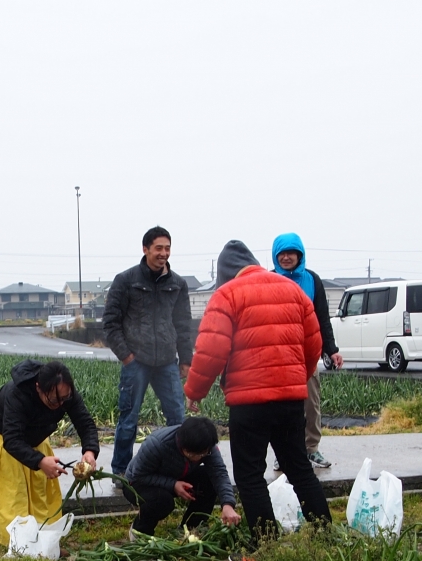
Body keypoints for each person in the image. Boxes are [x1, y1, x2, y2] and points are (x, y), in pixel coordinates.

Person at [184, 240, 332, 538]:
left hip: (248, 402)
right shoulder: (292, 290)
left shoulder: (227, 294)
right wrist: (297, 378)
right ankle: (325, 533)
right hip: (290, 400)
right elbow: (313, 344)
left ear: (226, 273)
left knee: (250, 474)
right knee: (299, 468)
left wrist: (195, 392)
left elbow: (211, 349)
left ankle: (266, 541)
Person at [0, 360, 99, 544]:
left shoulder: (65, 394)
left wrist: (90, 451)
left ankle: (44, 541)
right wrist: (40, 461)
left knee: (42, 498)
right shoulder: (17, 394)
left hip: (35, 439)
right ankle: (18, 545)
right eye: (54, 400)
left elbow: (85, 423)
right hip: (3, 440)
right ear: (38, 388)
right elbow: (12, 439)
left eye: (64, 399)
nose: (60, 404)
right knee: (12, 499)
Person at [103, 226, 193, 477]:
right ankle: (121, 471)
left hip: (167, 362)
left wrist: (186, 359)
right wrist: (127, 357)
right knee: (128, 419)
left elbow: (183, 324)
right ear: (145, 249)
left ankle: (178, 469)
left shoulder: (178, 284)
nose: (163, 253)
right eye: (158, 248)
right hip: (136, 361)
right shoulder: (126, 280)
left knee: (177, 419)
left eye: (167, 248)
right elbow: (110, 323)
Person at [272, 232, 343, 468]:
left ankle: (311, 448)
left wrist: (331, 349)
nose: (286, 258)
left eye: (291, 253)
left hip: (307, 355)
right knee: (281, 408)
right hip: (279, 356)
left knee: (311, 404)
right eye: (281, 253)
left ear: (299, 255)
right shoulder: (270, 279)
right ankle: (283, 453)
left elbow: (323, 318)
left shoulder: (312, 280)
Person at [123, 416, 241, 539]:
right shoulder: (157, 444)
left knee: (208, 479)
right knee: (163, 501)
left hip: (177, 476)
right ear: (182, 446)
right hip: (137, 484)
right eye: (193, 454)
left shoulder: (206, 444)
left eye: (203, 454)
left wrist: (228, 504)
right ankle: (140, 532)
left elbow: (219, 473)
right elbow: (139, 475)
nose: (198, 458)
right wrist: (173, 484)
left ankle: (192, 529)